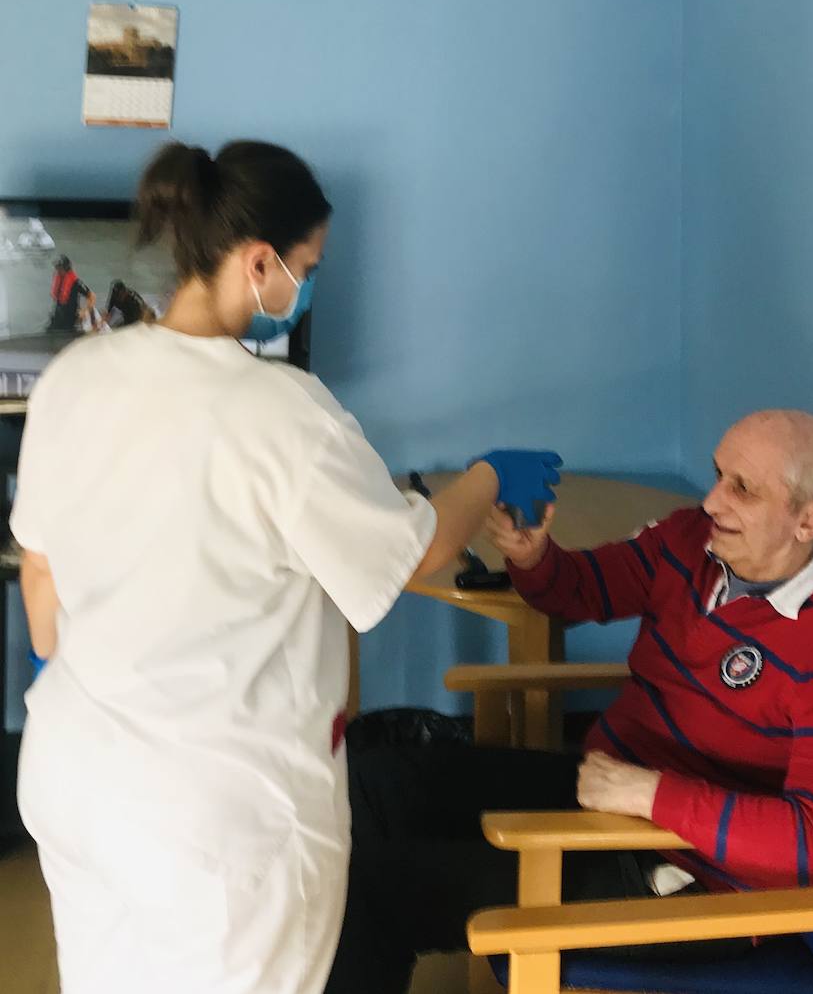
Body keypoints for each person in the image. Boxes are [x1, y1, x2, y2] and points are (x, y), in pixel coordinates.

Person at [13, 138, 562, 994]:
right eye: (306, 266)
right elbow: (414, 551)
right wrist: (487, 474)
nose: (303, 289)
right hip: (213, 811)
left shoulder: (77, 376)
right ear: (257, 259)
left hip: (72, 771)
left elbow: (40, 576)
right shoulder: (279, 410)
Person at [326, 409, 813, 993]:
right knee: (366, 785)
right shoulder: (689, 542)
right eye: (718, 475)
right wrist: (532, 557)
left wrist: (651, 795)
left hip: (694, 879)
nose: (713, 503)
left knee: (368, 893)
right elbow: (581, 589)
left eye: (742, 489)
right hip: (604, 794)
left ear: (808, 519)